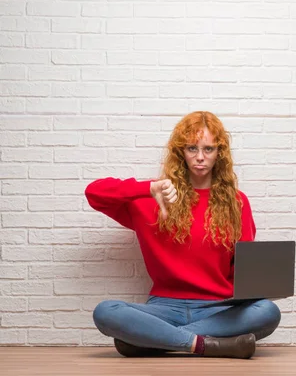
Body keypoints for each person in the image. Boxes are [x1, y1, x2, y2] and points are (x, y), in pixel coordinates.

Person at [85, 111, 281, 359]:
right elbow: (94, 193)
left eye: (208, 149)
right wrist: (147, 187)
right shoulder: (154, 199)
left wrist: (255, 288)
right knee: (106, 311)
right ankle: (205, 345)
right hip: (164, 307)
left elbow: (241, 268)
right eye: (192, 148)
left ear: (219, 153)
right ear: (181, 152)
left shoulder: (237, 203)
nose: (200, 157)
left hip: (218, 308)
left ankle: (153, 339)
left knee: (267, 311)